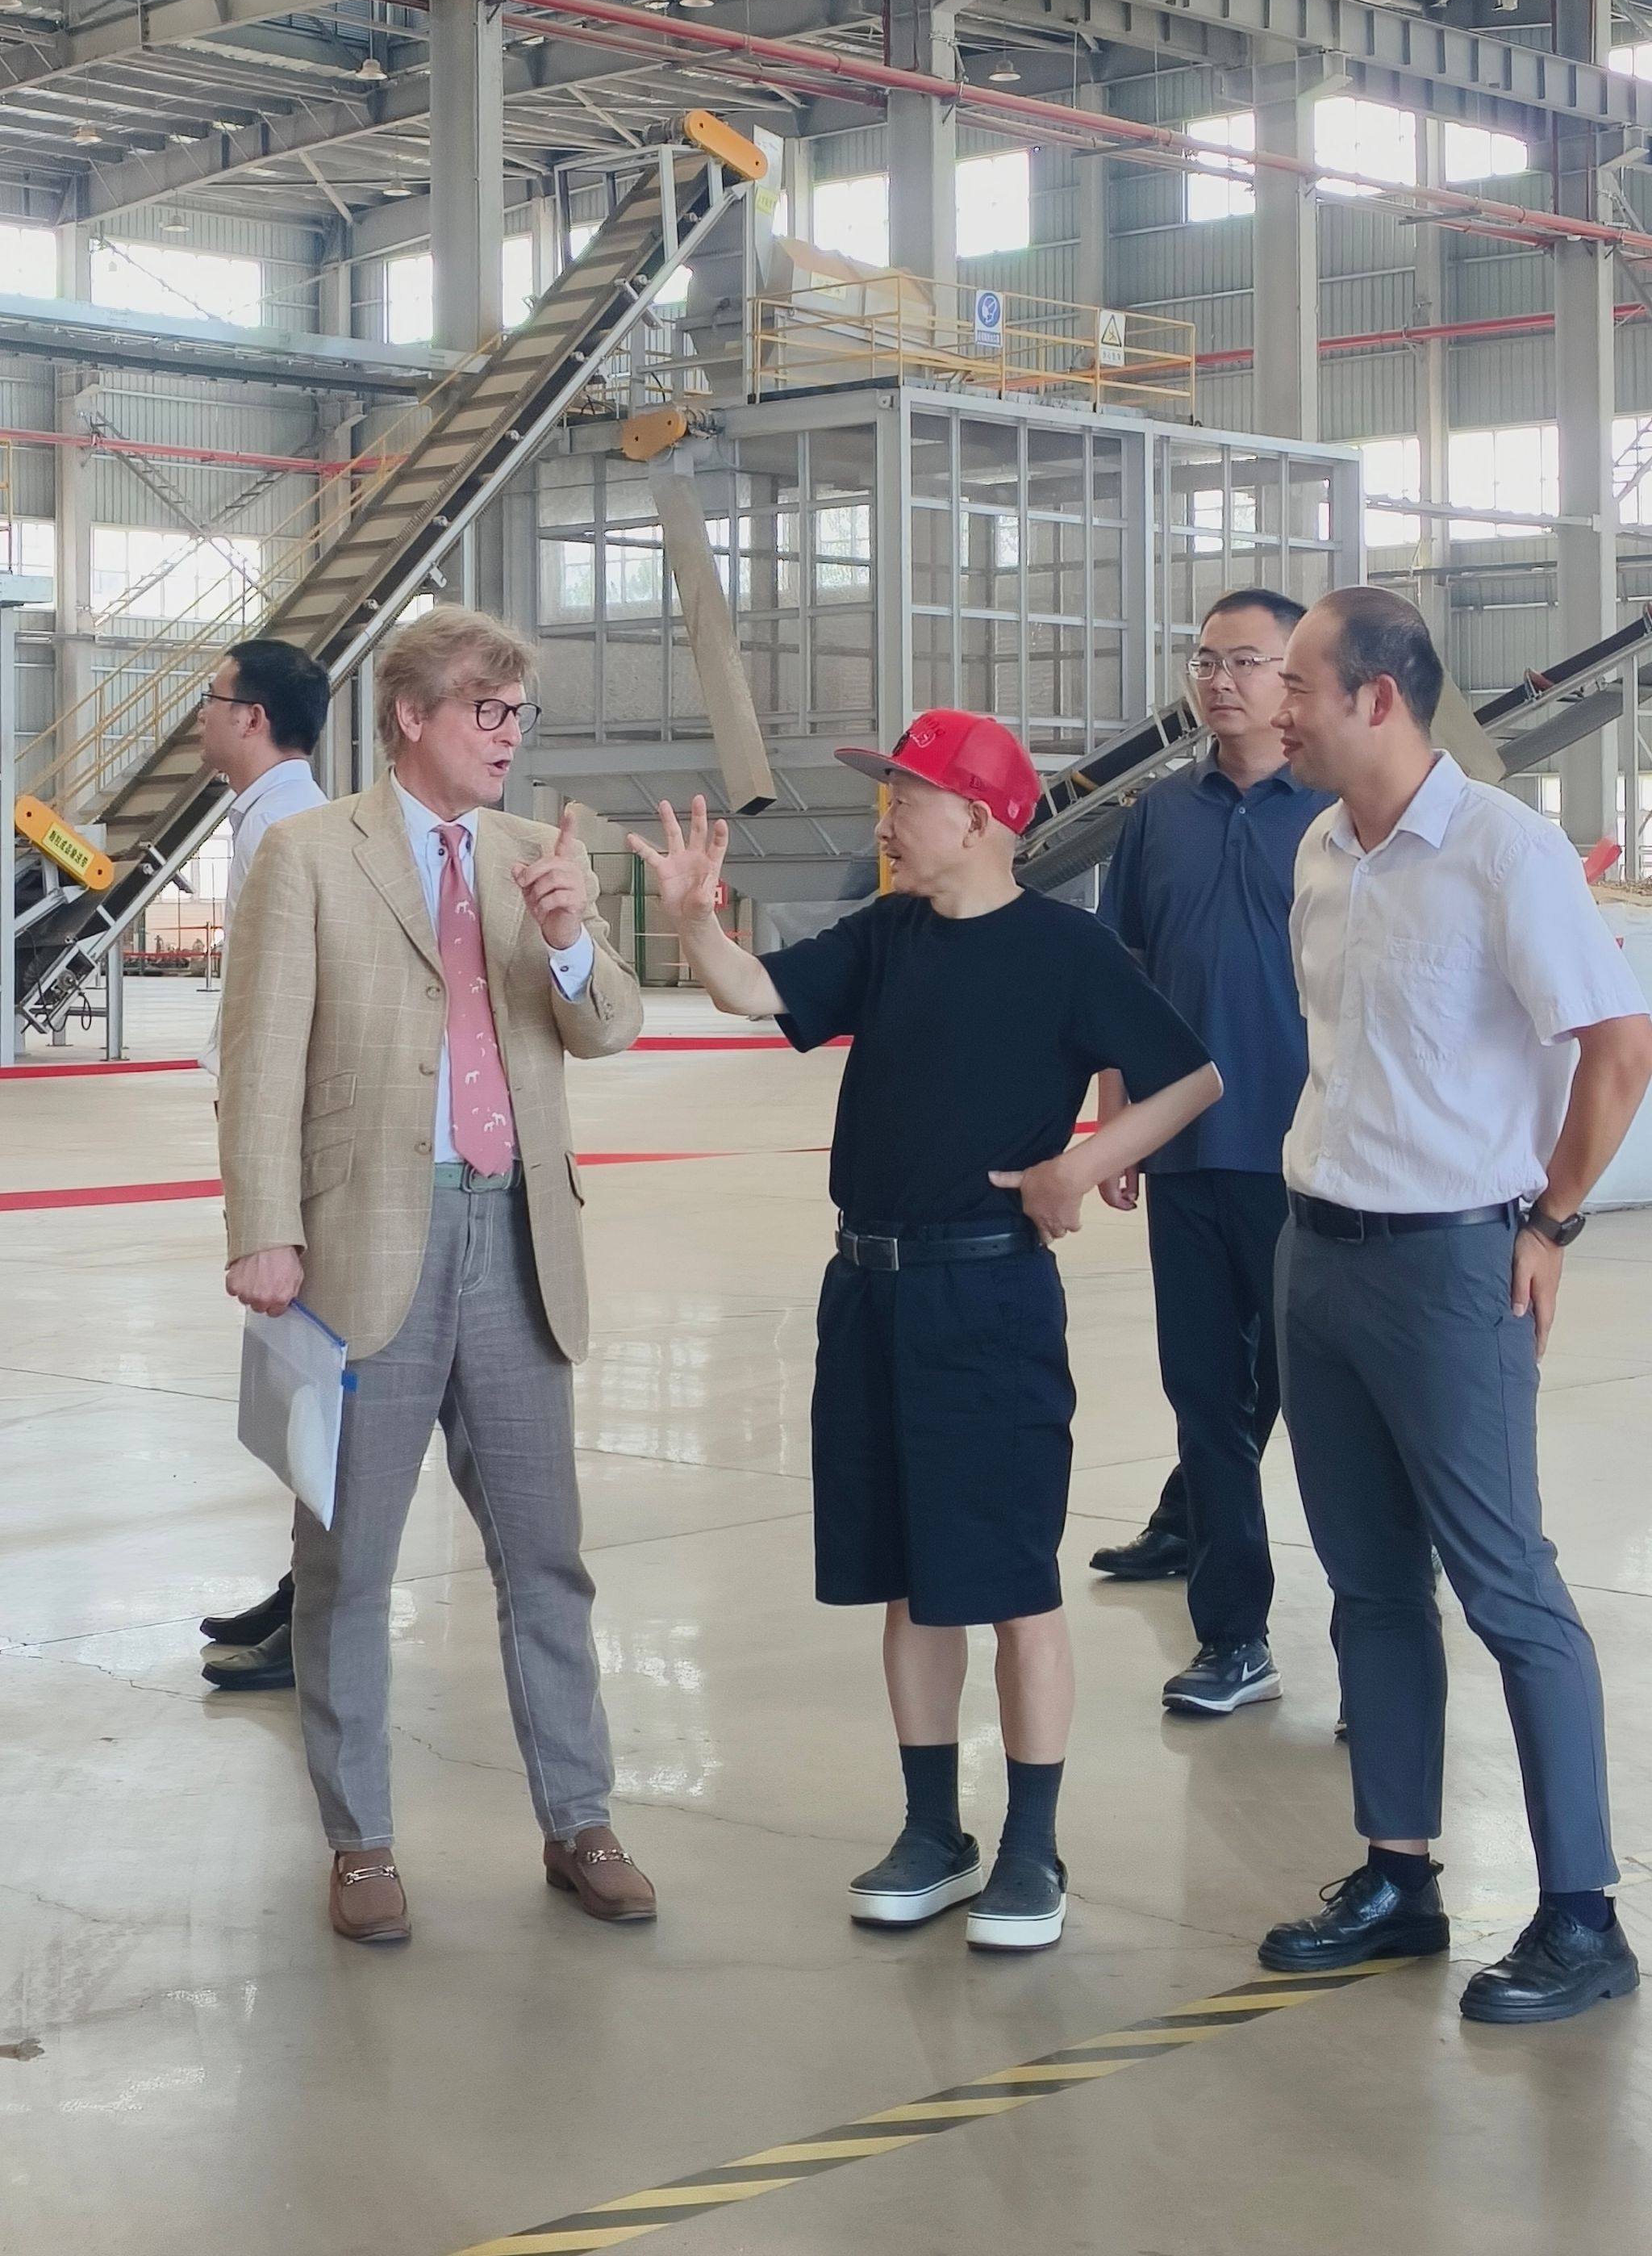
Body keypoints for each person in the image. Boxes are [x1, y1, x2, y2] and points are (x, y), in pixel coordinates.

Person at [632, 709, 1219, 1953]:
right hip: (869, 1290)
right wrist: (693, 919)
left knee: (1011, 1581)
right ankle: (931, 1832)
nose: (887, 818)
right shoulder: (887, 935)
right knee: (913, 1577)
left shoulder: (1067, 951)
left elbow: (1190, 1077)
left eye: (906, 796)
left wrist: (1078, 1166)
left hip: (987, 1299)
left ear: (982, 817)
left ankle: (1031, 1847)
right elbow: (753, 991)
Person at [217, 607, 651, 1947]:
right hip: (365, 1250)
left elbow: (611, 1027)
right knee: (349, 1565)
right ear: (412, 716)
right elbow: (260, 1055)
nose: (508, 735)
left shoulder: (535, 857)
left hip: (517, 1245)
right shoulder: (310, 854)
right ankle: (360, 1842)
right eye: (485, 709)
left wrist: (571, 938)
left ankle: (580, 1817)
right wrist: (264, 1226)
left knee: (546, 1556)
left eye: (520, 713)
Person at [1260, 587, 1652, 2024]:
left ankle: (1581, 1914)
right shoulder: (1319, 850)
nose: (1275, 709)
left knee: (1509, 1587)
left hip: (1449, 1267)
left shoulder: (1504, 849)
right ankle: (1398, 1878)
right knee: (1369, 1586)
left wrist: (1551, 1222)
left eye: (1297, 685)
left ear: (1377, 697)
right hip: (1320, 1256)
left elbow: (1620, 1045)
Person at [1091, 590, 1331, 1718]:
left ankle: (1381, 1635)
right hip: (1185, 1154)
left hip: (1311, 1163)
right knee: (1204, 1396)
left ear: (1294, 677)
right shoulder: (1157, 817)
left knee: (1315, 1401)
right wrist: (1116, 1119)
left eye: (1246, 660)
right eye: (1205, 661)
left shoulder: (1336, 811)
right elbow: (1123, 976)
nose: (1220, 680)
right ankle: (1234, 1636)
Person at [194, 637, 332, 1694]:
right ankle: (303, 1591)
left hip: (299, 1151)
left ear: (250, 717)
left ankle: (317, 1615)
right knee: (302, 1388)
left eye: (212, 697)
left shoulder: (288, 829)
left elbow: (292, 1013)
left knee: (323, 1391)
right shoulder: (268, 819)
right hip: (274, 1137)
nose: (200, 714)